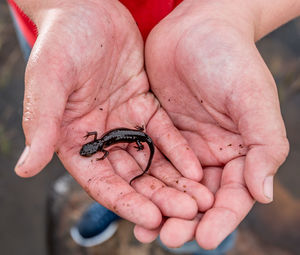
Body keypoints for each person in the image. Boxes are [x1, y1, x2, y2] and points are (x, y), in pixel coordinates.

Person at [8, 0, 299, 253]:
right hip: (73, 45)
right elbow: (106, 145)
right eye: (91, 148)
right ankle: (113, 208)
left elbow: (110, 145)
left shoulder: (103, 145)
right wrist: (54, 6)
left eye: (91, 149)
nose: (92, 148)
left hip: (184, 69)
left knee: (199, 189)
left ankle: (210, 244)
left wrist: (234, 14)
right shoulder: (102, 144)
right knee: (113, 180)